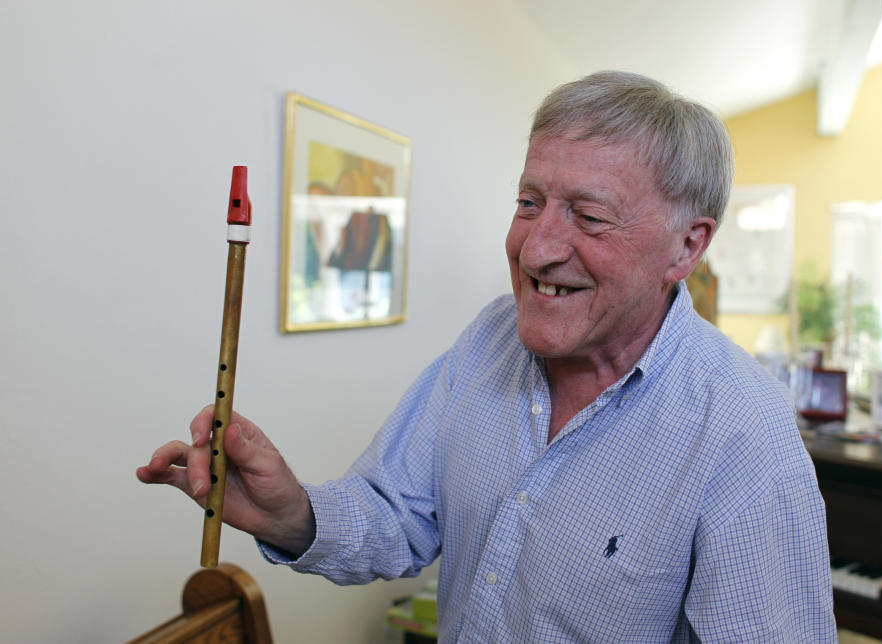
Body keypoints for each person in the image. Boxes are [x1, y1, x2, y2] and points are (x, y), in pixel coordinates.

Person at [138, 71, 837, 642]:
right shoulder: (489, 340)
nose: (535, 248)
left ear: (688, 246)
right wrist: (290, 512)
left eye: (589, 217)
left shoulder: (746, 438)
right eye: (530, 201)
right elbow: (395, 516)